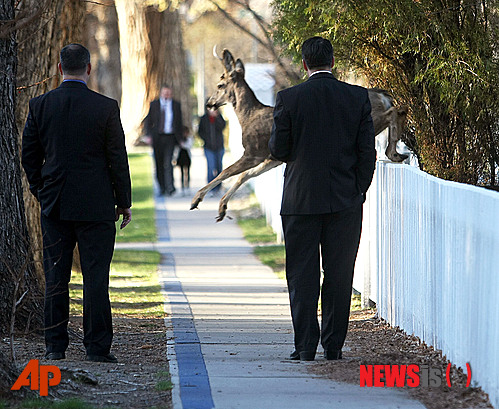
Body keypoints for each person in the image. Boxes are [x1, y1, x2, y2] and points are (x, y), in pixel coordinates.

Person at [22, 43, 132, 363]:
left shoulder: (40, 105)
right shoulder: (106, 107)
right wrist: (123, 201)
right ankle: (97, 347)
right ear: (88, 69)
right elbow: (117, 159)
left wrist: (40, 189)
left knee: (56, 276)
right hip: (97, 206)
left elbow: (29, 155)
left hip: (54, 203)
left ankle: (55, 345)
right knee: (96, 277)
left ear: (59, 69)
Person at [269, 37, 376, 361]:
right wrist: (357, 190)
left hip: (300, 200)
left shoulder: (289, 99)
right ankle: (333, 346)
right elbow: (366, 153)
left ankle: (304, 347)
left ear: (304, 64)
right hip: (344, 201)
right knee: (340, 274)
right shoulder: (357, 97)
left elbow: (278, 150)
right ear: (333, 62)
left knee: (302, 276)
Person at [144, 84, 183, 196]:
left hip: (170, 137)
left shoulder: (176, 105)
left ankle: (170, 187)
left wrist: (180, 139)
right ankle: (162, 187)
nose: (167, 95)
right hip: (157, 138)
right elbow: (148, 121)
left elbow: (179, 123)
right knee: (159, 163)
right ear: (161, 93)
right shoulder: (154, 104)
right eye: (165, 93)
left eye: (169, 93)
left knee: (168, 162)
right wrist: (148, 135)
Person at [198, 107, 226, 195]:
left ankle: (218, 187)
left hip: (219, 147)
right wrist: (205, 139)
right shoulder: (204, 119)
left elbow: (222, 126)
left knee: (219, 167)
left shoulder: (220, 117)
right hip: (208, 147)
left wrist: (216, 117)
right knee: (211, 167)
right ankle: (210, 188)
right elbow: (200, 131)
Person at [176, 125, 193, 196]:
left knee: (187, 172)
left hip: (187, 157)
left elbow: (189, 145)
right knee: (182, 173)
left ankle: (188, 186)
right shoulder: (179, 140)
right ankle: (182, 187)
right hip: (180, 157)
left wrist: (183, 145)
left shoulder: (189, 139)